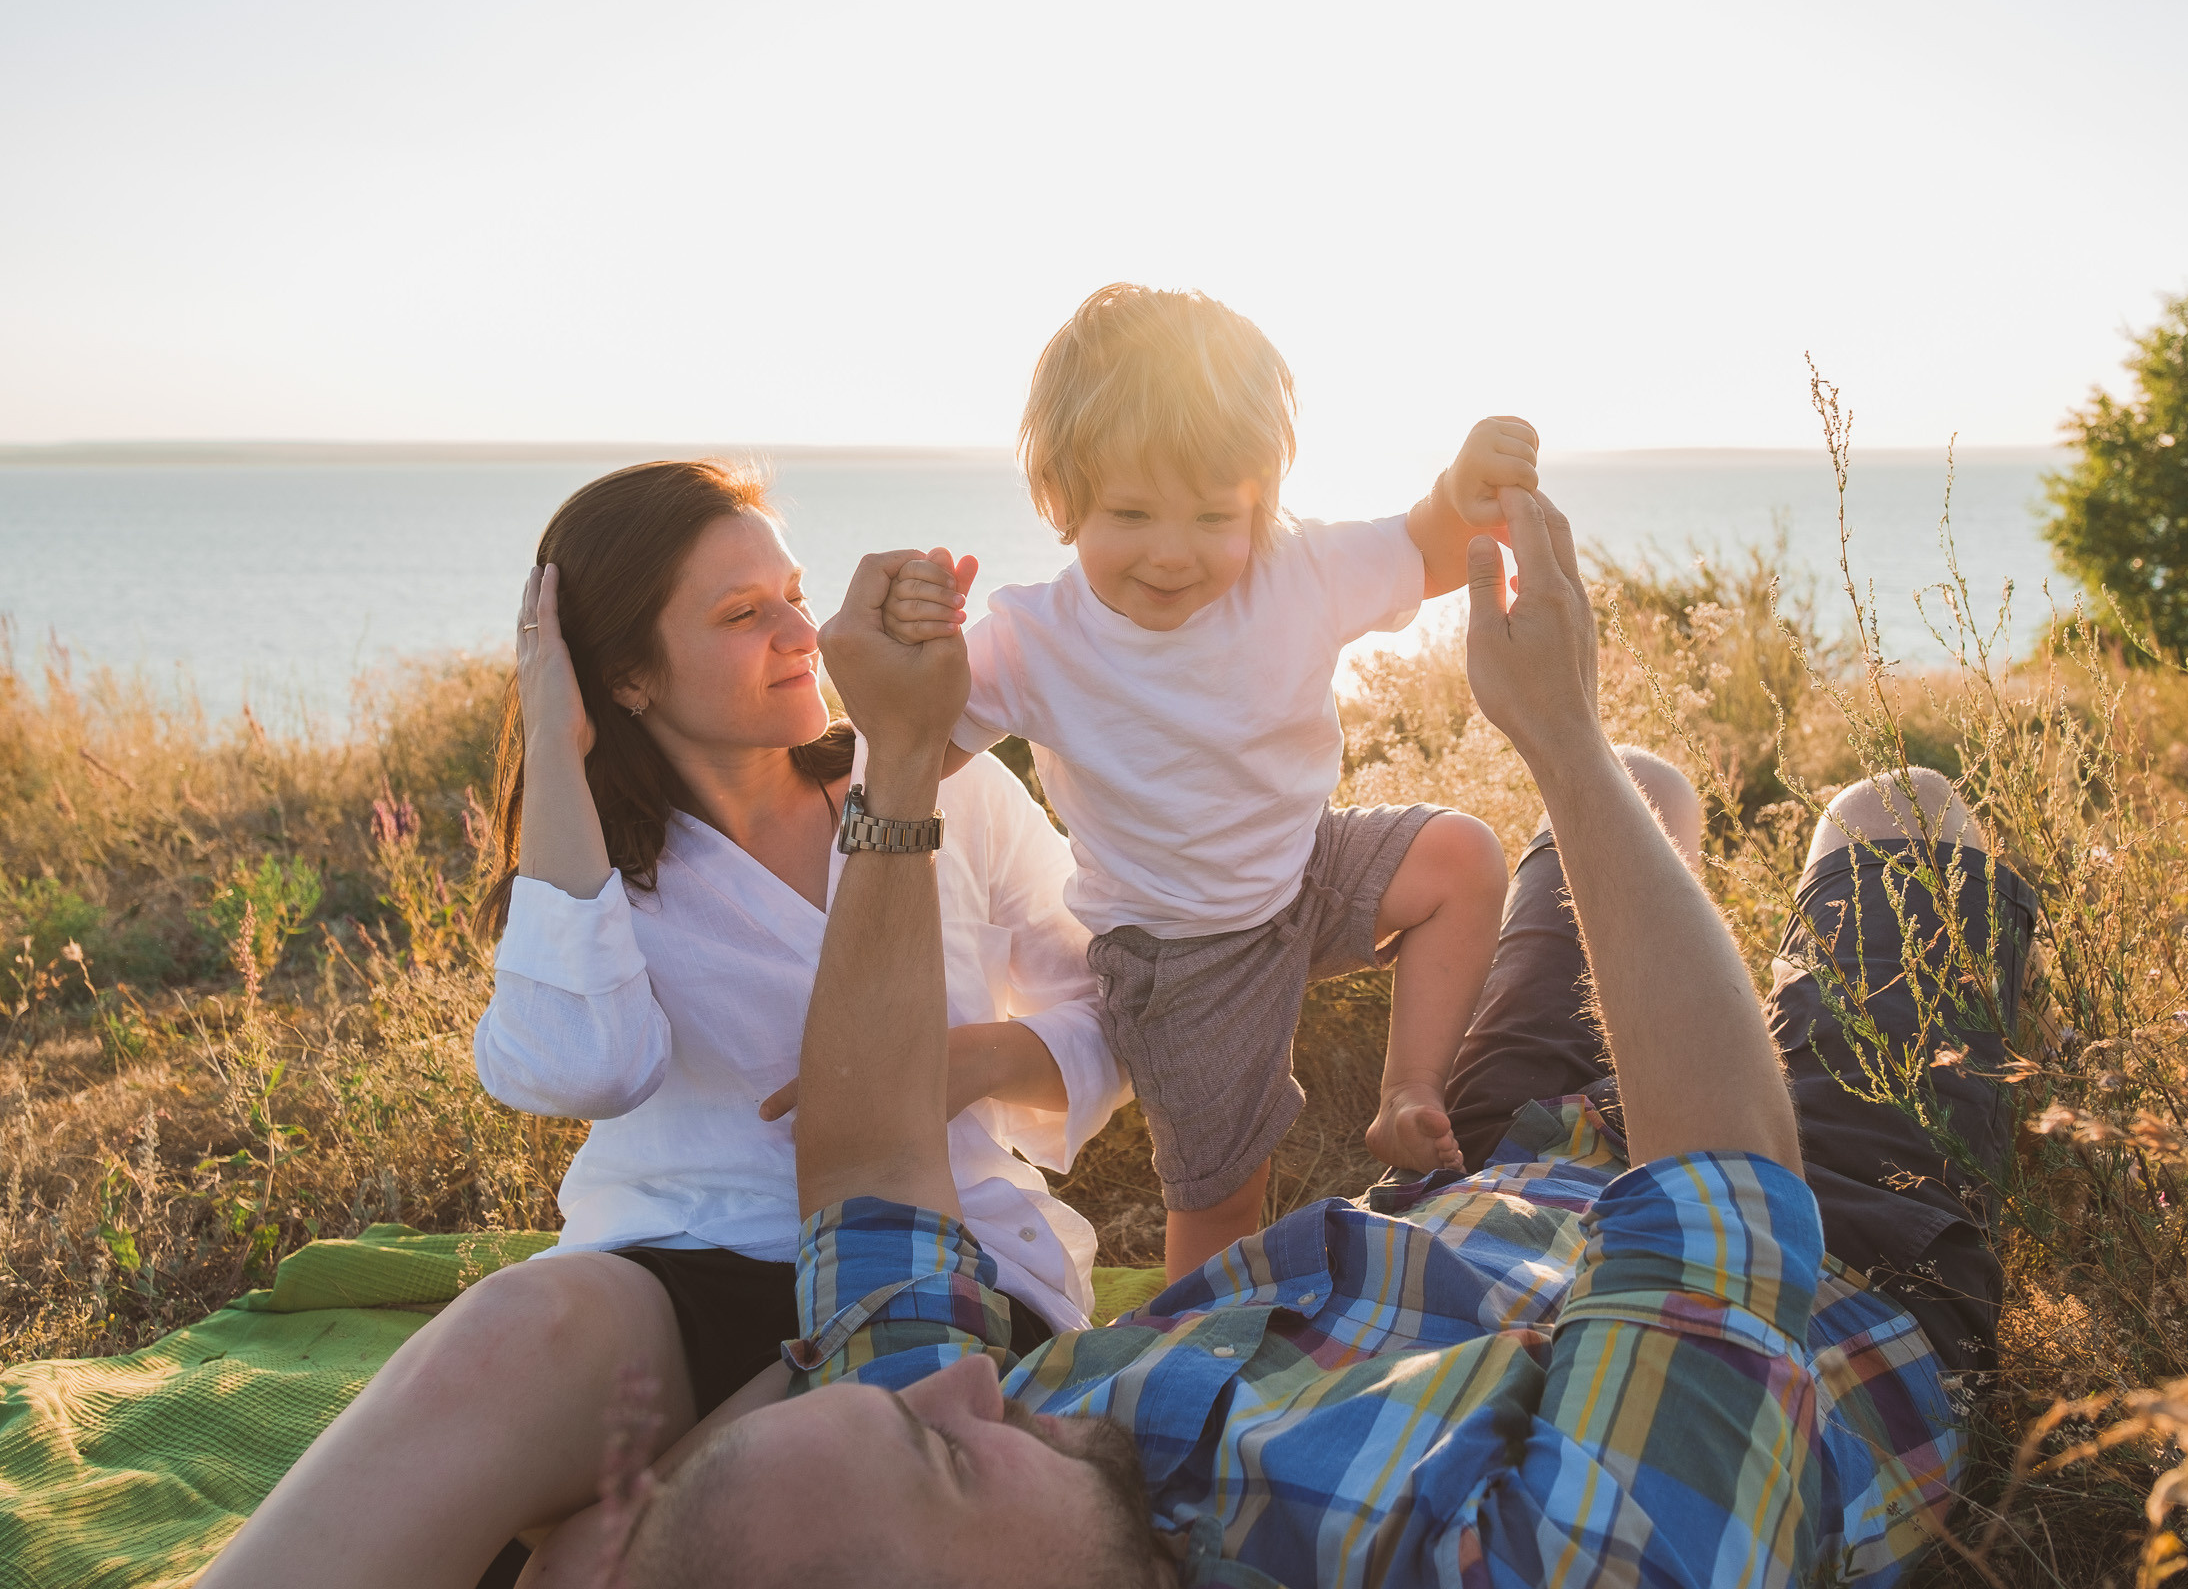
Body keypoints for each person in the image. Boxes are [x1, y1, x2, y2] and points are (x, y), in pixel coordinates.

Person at [608, 486, 2022, 1588]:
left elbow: (866, 1179)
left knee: (1646, 790)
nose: (981, 1374)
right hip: (1833, 1257)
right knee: (1894, 818)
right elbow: (1727, 1213)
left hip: (1480, 1182)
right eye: (947, 1454)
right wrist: (1561, 739)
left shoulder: (953, 1457)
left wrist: (902, 758)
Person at [196, 459, 1127, 1589]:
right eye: (744, 615)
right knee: (508, 1328)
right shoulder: (601, 869)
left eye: (794, 591)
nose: (800, 630)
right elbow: (583, 1065)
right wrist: (555, 750)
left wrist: (974, 1060)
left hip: (931, 1242)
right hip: (682, 1254)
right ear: (626, 677)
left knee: (614, 1555)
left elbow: (1107, 1000)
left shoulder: (940, 783)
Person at [885, 283, 1515, 1277]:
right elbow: (916, 745)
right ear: (1062, 499)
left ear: (1260, 499)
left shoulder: (1295, 568)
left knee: (1463, 858)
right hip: (1182, 953)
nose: (1173, 554)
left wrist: (1464, 485)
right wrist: (908, 648)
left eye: (1214, 515)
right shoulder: (1034, 640)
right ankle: (1194, 1361)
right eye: (1130, 513)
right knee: (1226, 1197)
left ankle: (1408, 1094)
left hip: (1303, 868)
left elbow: (1429, 546)